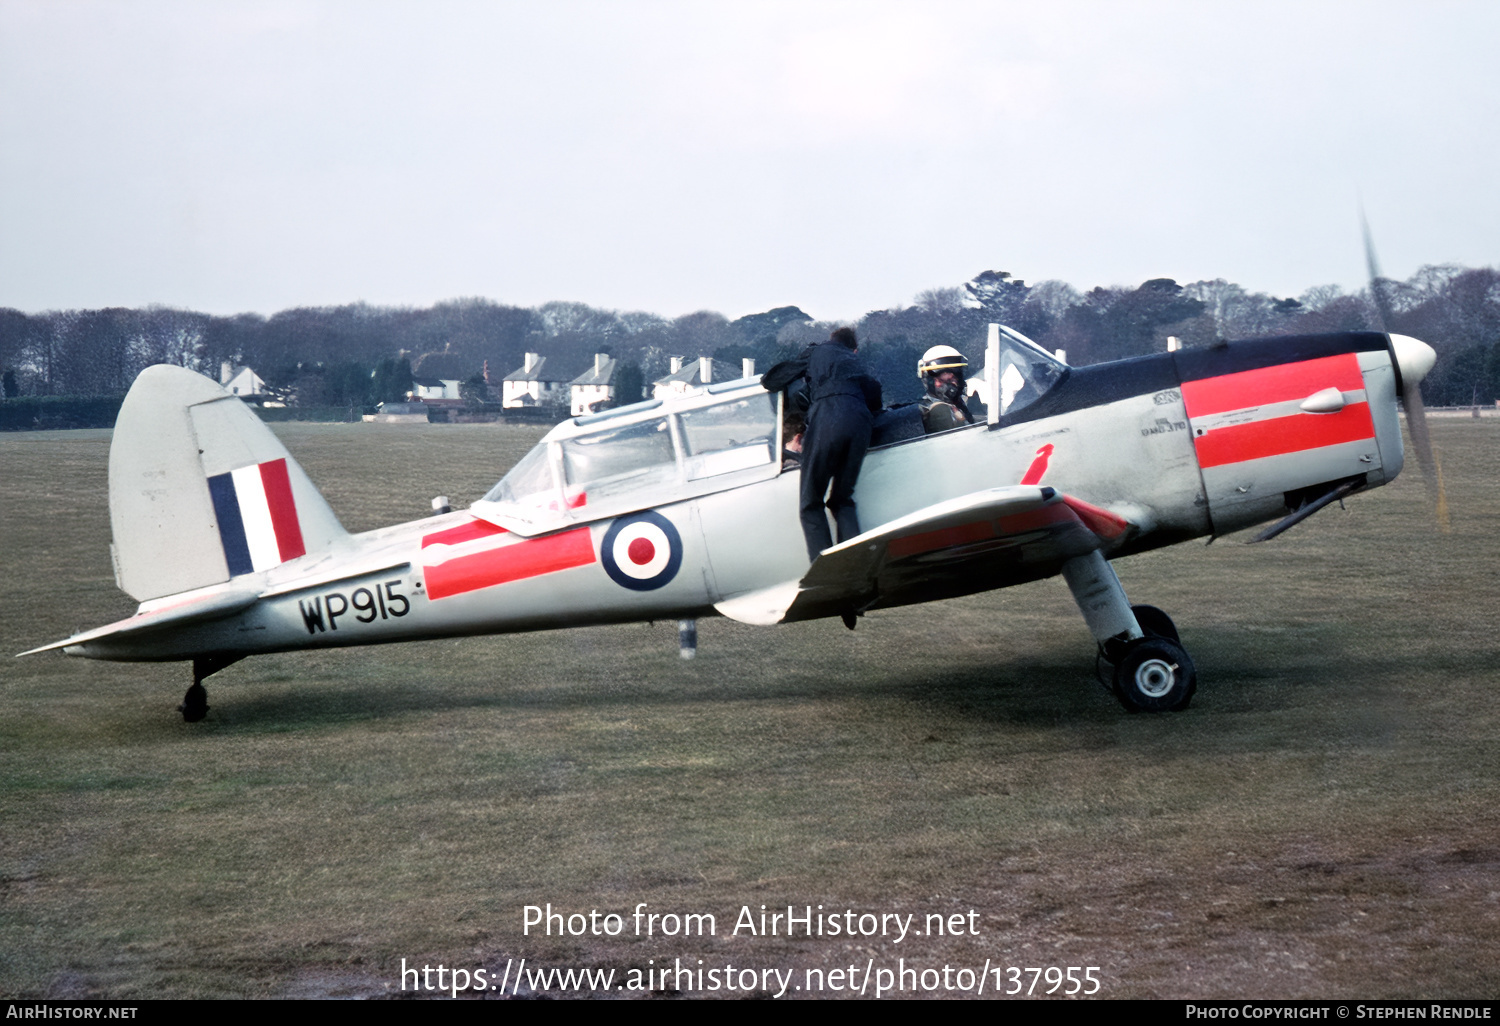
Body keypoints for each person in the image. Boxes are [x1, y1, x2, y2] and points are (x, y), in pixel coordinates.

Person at [796, 327, 881, 562]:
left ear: (830, 341)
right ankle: (853, 564)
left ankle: (824, 567)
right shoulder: (854, 363)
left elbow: (778, 379)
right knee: (842, 499)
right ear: (853, 350)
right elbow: (875, 391)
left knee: (810, 503)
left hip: (826, 419)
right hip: (860, 422)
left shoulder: (815, 353)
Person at [917, 345, 973, 433]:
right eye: (941, 380)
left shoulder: (966, 402)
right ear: (928, 381)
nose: (950, 386)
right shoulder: (931, 412)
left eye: (952, 379)